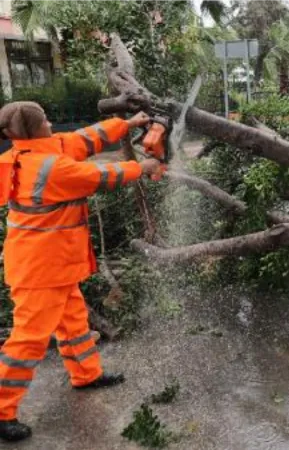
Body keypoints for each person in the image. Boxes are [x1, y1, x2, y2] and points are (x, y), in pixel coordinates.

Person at [0, 102, 162, 442]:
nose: (50, 121)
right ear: (34, 129)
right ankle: (2, 410)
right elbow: (101, 176)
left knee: (73, 321)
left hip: (50, 263)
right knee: (28, 340)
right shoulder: (52, 168)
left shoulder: (33, 152)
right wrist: (143, 166)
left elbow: (85, 138)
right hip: (40, 269)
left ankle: (86, 374)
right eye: (45, 118)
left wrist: (128, 123)